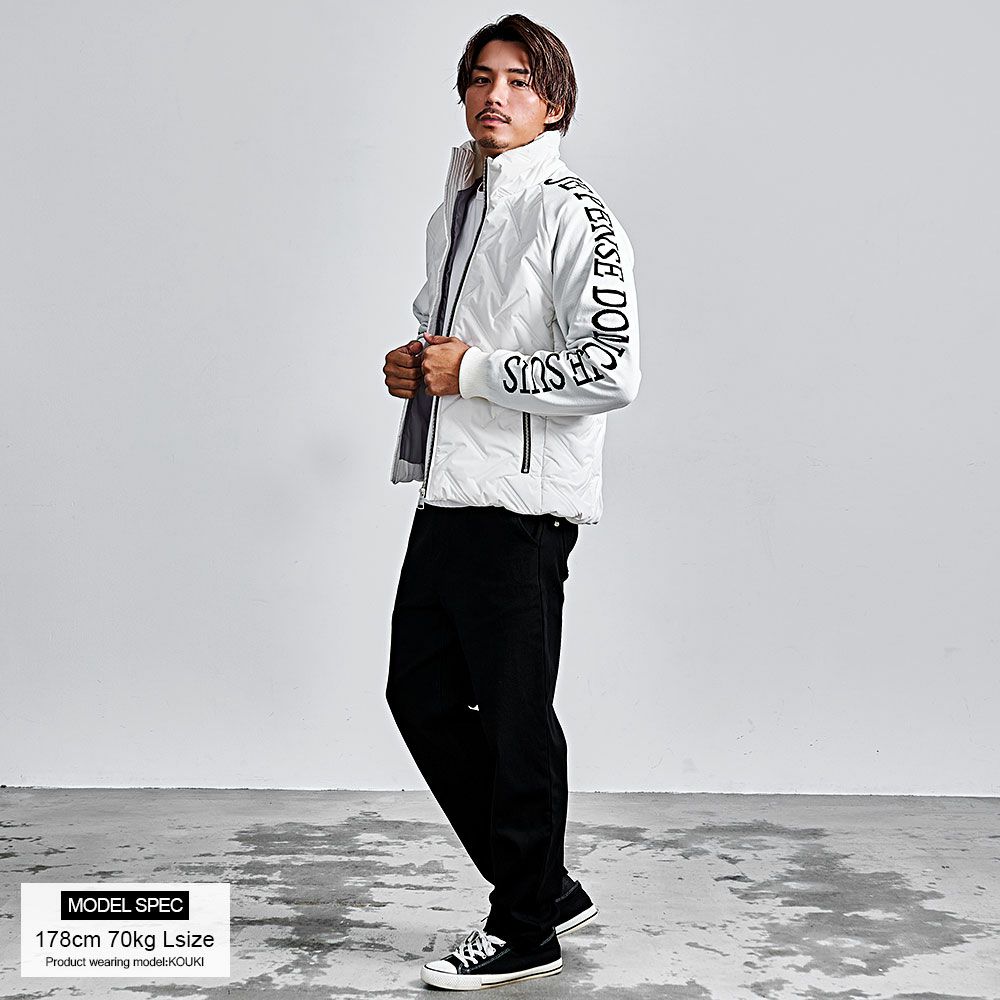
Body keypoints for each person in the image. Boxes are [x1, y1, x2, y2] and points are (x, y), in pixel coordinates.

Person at [382, 13, 641, 991]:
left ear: (555, 104)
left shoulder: (574, 212)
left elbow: (611, 369)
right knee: (418, 693)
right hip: (451, 489)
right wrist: (415, 363)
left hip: (524, 504)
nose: (496, 95)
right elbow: (449, 333)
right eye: (481, 78)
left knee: (516, 712)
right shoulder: (458, 207)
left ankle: (525, 927)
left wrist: (476, 370)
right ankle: (544, 886)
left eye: (521, 81)